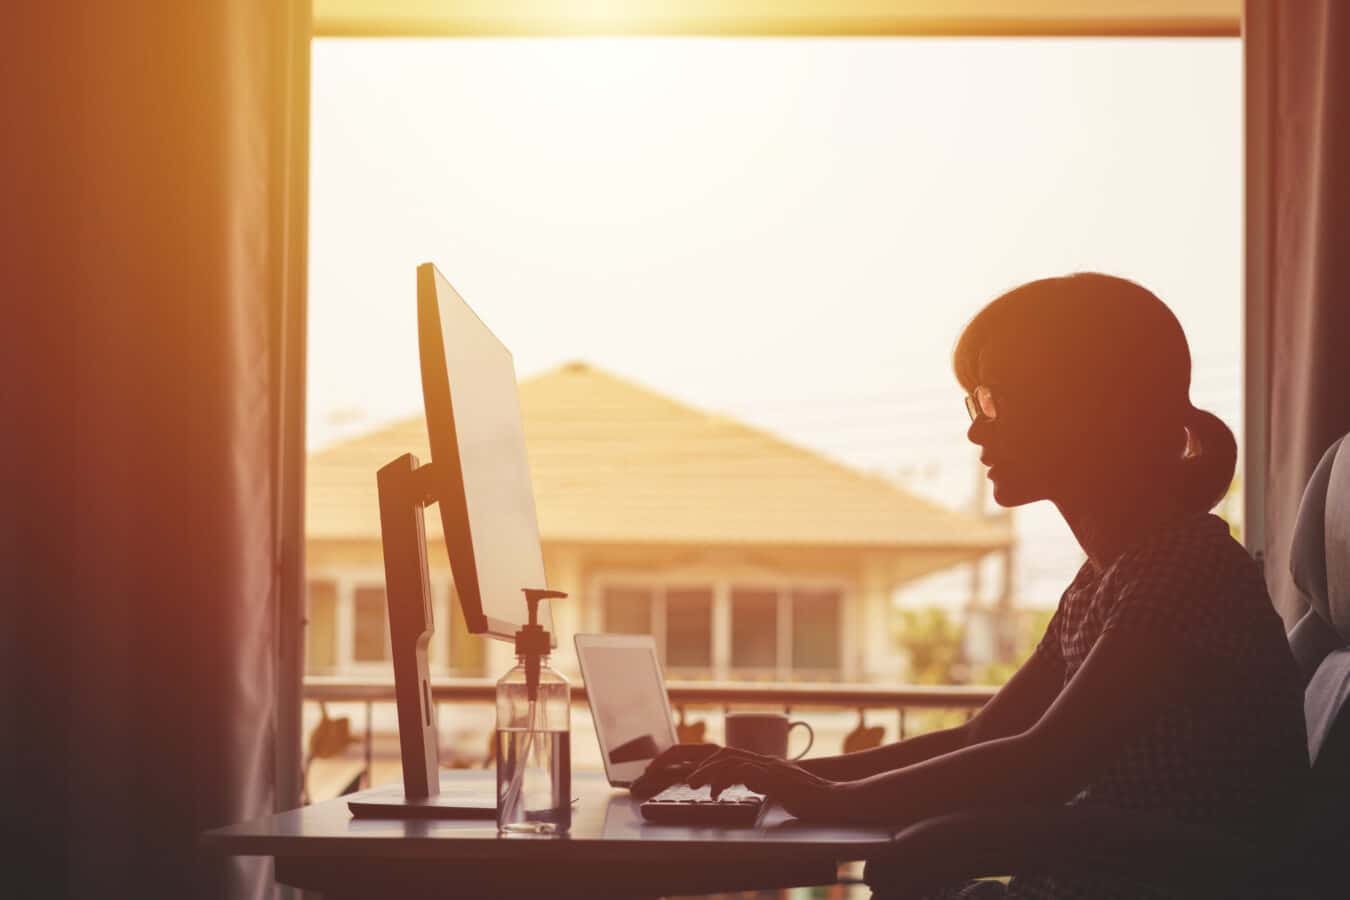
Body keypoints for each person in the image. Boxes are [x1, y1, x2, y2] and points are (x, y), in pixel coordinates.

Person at [634, 273, 1308, 899]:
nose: (975, 426)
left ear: (1086, 404)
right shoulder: (1113, 573)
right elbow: (986, 734)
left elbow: (1046, 762)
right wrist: (778, 774)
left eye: (994, 399)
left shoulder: (1181, 567)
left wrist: (822, 797)